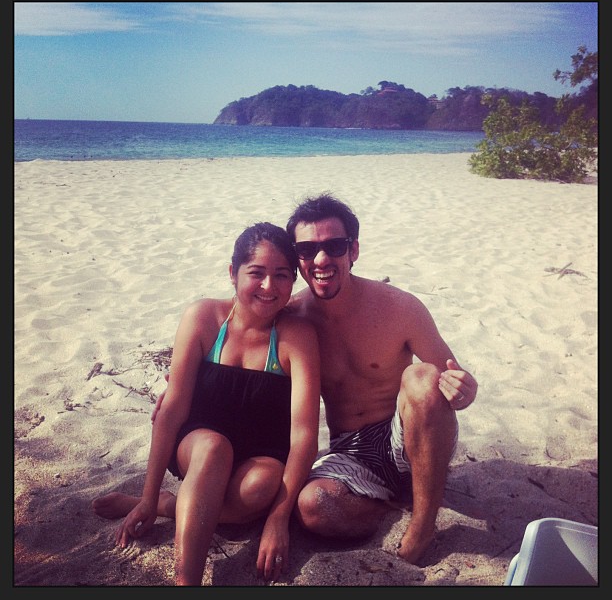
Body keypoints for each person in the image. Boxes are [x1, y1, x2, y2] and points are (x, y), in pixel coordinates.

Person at [92, 222, 320, 585]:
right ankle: (187, 581)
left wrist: (277, 519)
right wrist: (146, 497)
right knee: (214, 448)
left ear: (293, 281)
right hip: (198, 442)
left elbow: (304, 434)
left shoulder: (297, 336)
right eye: (256, 273)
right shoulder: (203, 319)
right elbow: (172, 410)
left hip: (262, 452)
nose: (268, 286)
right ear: (232, 273)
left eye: (282, 275)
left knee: (262, 487)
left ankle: (172, 504)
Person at [284, 193, 478, 565]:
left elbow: (451, 375)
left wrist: (464, 390)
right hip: (350, 450)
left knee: (423, 377)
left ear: (353, 250)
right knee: (312, 507)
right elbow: (243, 344)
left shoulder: (399, 307)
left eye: (334, 246)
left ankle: (422, 525)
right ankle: (387, 504)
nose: (320, 260)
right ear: (297, 258)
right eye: (307, 250)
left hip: (408, 436)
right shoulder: (293, 319)